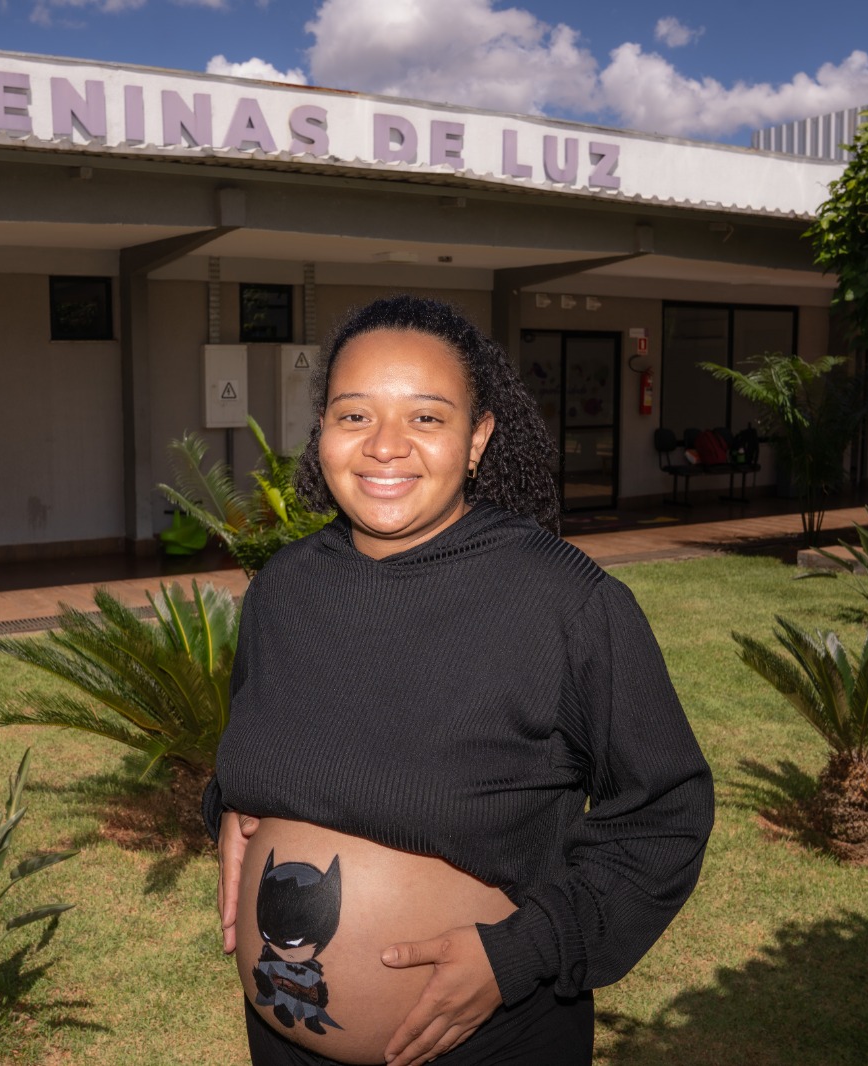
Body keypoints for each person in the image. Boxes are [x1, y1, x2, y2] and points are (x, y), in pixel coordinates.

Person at [204, 296, 714, 1066]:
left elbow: (665, 813)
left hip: (495, 1042)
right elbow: (261, 747)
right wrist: (232, 809)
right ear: (323, 433)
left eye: (426, 418)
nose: (384, 447)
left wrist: (520, 952)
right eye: (353, 416)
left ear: (478, 439)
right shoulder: (284, 589)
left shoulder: (564, 603)